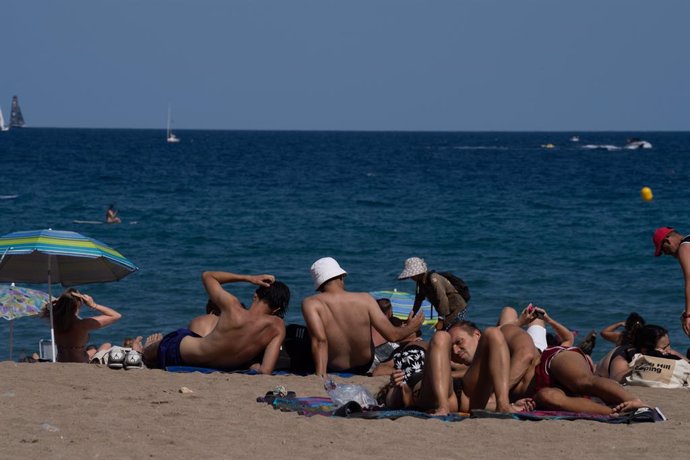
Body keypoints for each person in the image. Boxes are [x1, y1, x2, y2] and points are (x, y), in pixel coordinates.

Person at [443, 321, 647, 414]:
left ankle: (634, 401)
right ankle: (613, 412)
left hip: (549, 362)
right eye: (451, 347)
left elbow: (526, 354)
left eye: (459, 341)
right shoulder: (470, 375)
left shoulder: (504, 331)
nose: (456, 349)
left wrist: (499, 395)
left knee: (582, 381)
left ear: (477, 335)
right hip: (538, 393)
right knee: (549, 398)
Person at [142, 271, 290, 374]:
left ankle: (142, 350)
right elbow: (265, 371)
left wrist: (249, 278)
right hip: (215, 363)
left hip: (184, 353)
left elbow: (208, 276)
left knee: (158, 348)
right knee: (178, 339)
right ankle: (145, 349)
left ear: (255, 296)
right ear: (277, 309)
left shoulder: (233, 308)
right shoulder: (277, 327)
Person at [301, 257, 424, 377]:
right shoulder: (366, 299)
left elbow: (319, 341)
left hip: (333, 367)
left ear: (319, 285)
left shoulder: (311, 303)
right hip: (364, 366)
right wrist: (411, 327)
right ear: (340, 277)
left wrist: (321, 374)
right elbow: (392, 335)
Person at [41, 289, 121, 363]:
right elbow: (116, 316)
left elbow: (45, 308)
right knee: (106, 345)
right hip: (80, 362)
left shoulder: (54, 321)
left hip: (62, 360)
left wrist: (58, 302)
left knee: (92, 350)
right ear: (79, 304)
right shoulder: (83, 324)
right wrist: (93, 305)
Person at [596, 324, 687, 383]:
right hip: (597, 376)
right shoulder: (622, 357)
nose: (669, 350)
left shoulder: (666, 350)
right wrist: (643, 367)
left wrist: (676, 356)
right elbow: (617, 379)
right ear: (644, 350)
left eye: (669, 345)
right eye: (664, 348)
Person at [398, 257, 468, 331]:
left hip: (456, 307)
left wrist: (441, 319)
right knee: (445, 331)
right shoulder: (420, 283)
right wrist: (412, 315)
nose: (411, 277)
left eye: (411, 275)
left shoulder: (433, 279)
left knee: (450, 330)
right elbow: (418, 300)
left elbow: (442, 298)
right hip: (446, 310)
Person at [653, 227, 690, 336]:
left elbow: (689, 280)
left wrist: (688, 315)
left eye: (663, 250)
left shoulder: (685, 247)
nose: (666, 253)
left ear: (667, 241)